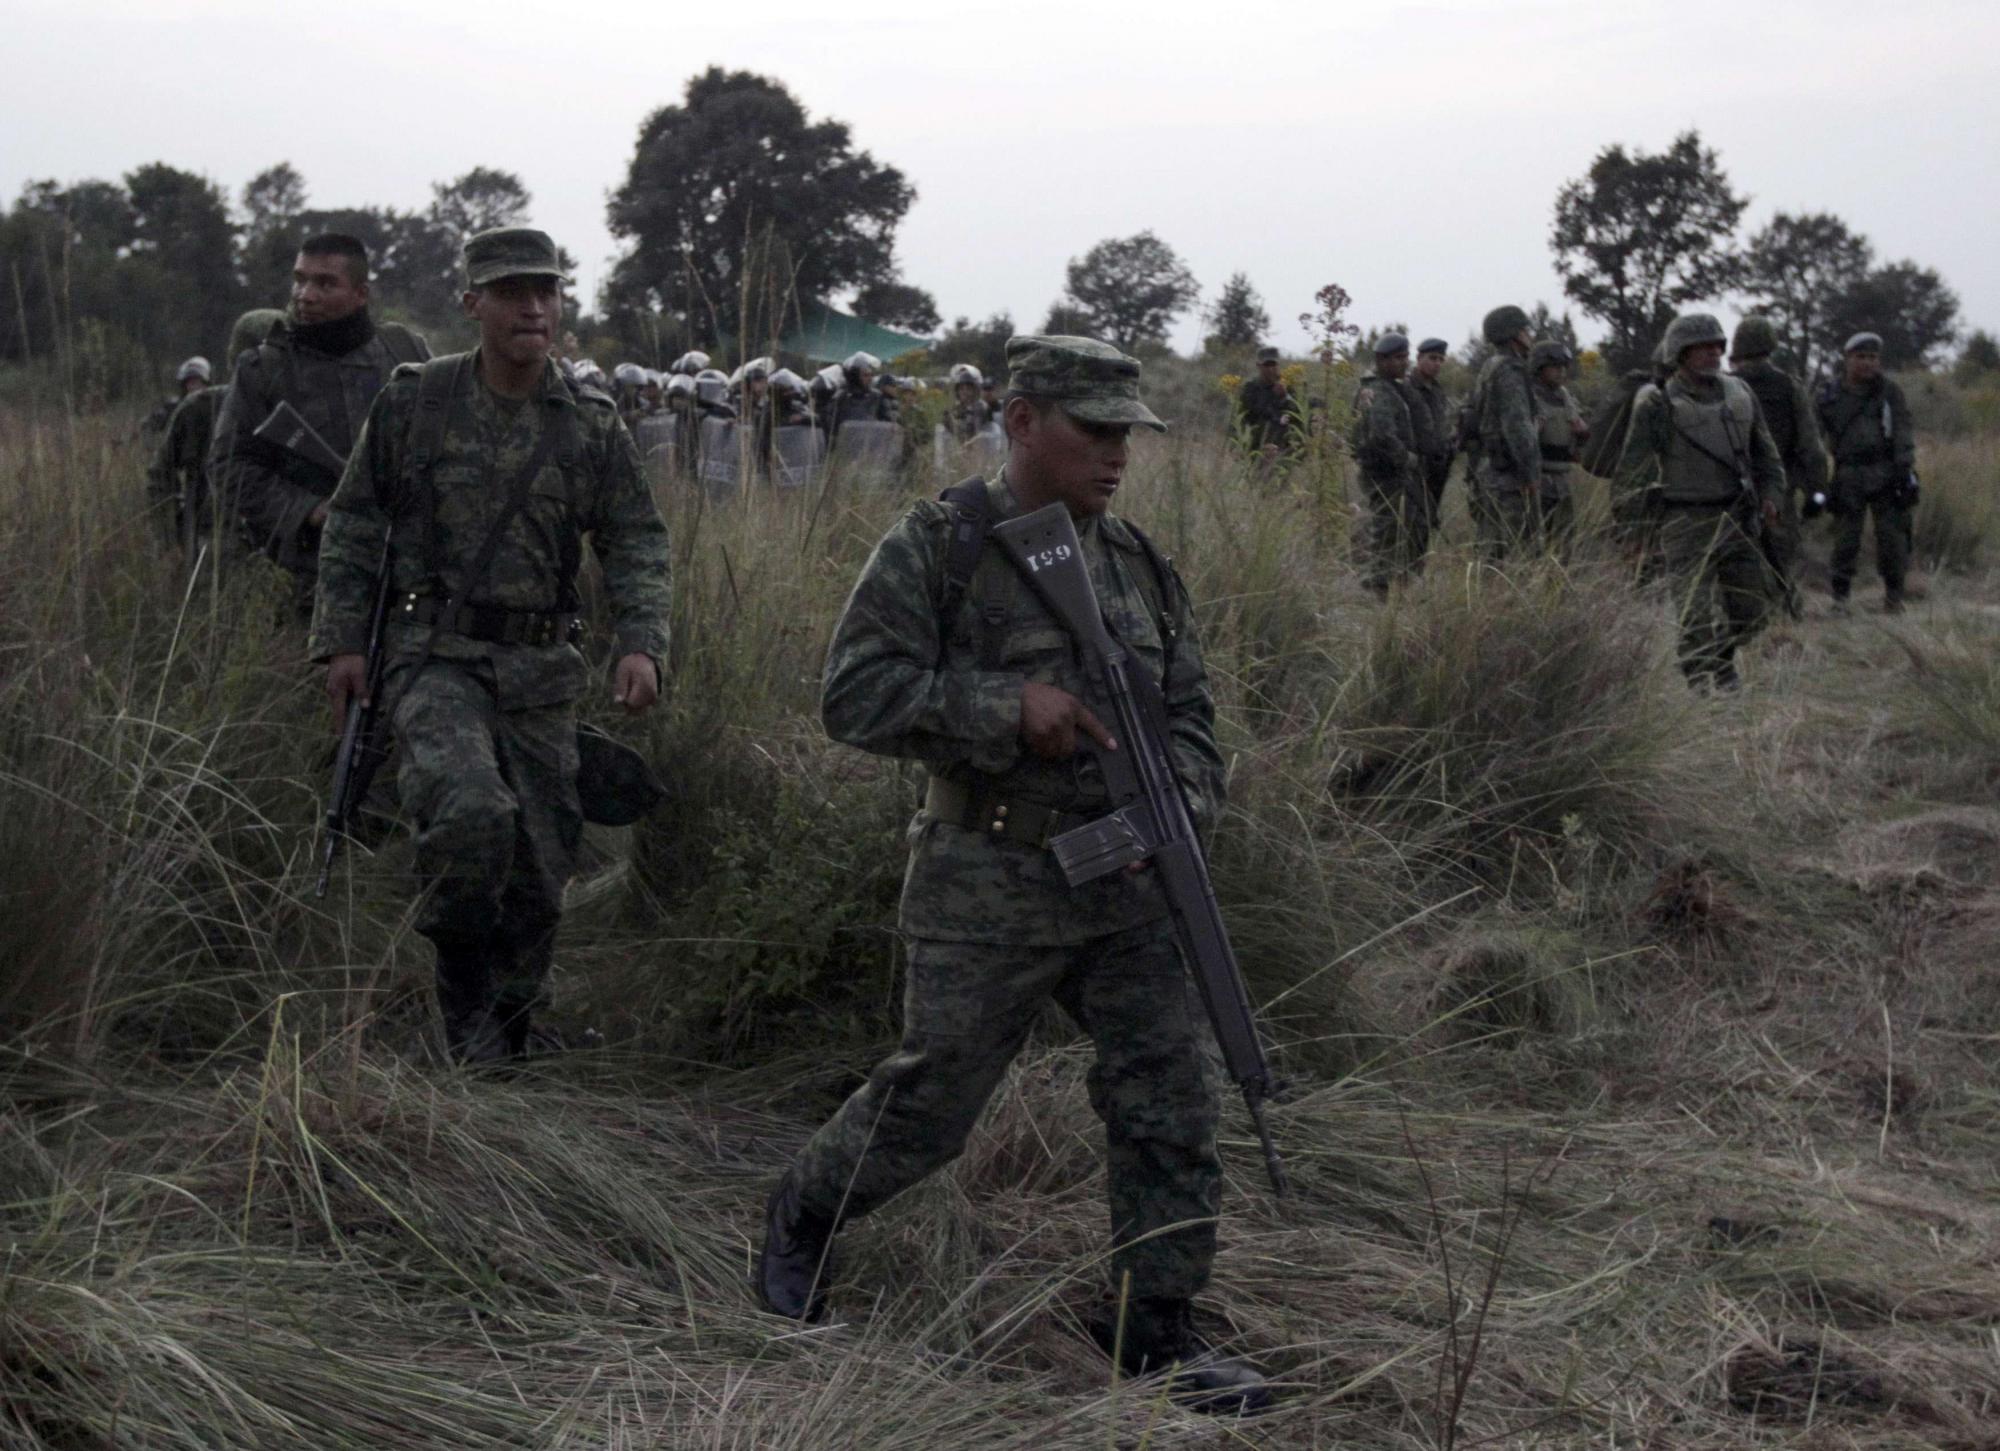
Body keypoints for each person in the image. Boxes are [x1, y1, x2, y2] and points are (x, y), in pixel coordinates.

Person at [756, 333, 1268, 1414]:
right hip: (985, 870)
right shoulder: (938, 545)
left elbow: (1189, 715)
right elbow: (852, 694)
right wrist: (1002, 708)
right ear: (1023, 419)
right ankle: (800, 1214)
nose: (1115, 452)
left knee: (1168, 1093)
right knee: (931, 1099)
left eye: (1127, 431)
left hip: (1129, 881)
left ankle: (1152, 1322)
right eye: (1094, 428)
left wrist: (1179, 805)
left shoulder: (1135, 563)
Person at [308, 227, 671, 1062]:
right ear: (473, 303)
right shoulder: (417, 402)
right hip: (433, 655)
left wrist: (642, 643)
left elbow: (636, 538)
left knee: (542, 866)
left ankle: (509, 1025)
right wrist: (341, 643)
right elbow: (355, 520)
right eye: (511, 292)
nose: (533, 307)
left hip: (542, 670)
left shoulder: (588, 423)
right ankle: (464, 998)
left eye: (545, 291)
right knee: (474, 815)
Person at [210, 233, 429, 600]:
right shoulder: (264, 368)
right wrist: (311, 511)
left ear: (361, 293)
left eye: (325, 283)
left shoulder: (406, 352)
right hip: (302, 578)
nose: (305, 295)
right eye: (300, 279)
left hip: (403, 574)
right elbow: (228, 467)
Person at [1612, 313, 1786, 690]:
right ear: (1680, 353)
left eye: (1718, 346)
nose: (1714, 353)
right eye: (1703, 347)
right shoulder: (1658, 403)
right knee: (1695, 613)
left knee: (1753, 613)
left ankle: (1719, 660)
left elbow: (1766, 454)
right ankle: (1701, 683)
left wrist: (1773, 495)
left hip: (1737, 516)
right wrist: (1632, 531)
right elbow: (1633, 469)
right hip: (1685, 520)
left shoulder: (1740, 394)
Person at [147, 310, 284, 562]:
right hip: (209, 549)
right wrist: (170, 539)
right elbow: (160, 476)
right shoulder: (198, 409)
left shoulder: (296, 414)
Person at [1728, 317, 1826, 614]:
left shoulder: (1726, 386)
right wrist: (1816, 493)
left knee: (1736, 556)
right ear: (1771, 346)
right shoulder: (1789, 386)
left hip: (1730, 486)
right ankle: (1786, 613)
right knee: (1781, 557)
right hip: (1779, 487)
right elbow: (1811, 447)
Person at [1817, 332, 1916, 614]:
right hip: (1848, 473)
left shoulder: (1889, 391)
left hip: (1886, 472)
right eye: (1861, 357)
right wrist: (1818, 477)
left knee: (1893, 539)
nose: (1868, 363)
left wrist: (1904, 467)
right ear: (1847, 359)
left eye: (1873, 357)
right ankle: (1840, 598)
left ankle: (1894, 598)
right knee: (1846, 539)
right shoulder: (1829, 394)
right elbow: (1813, 437)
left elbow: (1903, 429)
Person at [1350, 333, 1425, 593]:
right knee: (1387, 528)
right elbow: (1382, 435)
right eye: (1398, 358)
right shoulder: (1380, 390)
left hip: (1382, 470)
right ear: (1382, 360)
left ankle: (1384, 580)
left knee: (1390, 526)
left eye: (1405, 357)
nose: (1404, 363)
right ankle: (1377, 583)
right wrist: (1407, 458)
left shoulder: (1384, 387)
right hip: (1386, 471)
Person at [1468, 305, 1542, 558]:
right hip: (1507, 475)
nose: (1529, 335)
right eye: (1525, 330)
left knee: (1491, 548)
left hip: (1490, 471)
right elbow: (1518, 426)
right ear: (1514, 335)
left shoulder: (1490, 367)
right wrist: (1531, 473)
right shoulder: (1510, 371)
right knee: (1513, 551)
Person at [1527, 339, 1586, 555]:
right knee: (1536, 539)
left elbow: (1578, 428)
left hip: (1561, 475)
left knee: (1565, 539)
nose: (1561, 372)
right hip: (1540, 476)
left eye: (1564, 367)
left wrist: (1581, 434)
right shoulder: (1530, 397)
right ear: (1540, 367)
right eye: (1555, 367)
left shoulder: (1563, 396)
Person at [1408, 338, 1454, 539]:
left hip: (1435, 467)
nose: (1437, 364)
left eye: (1441, 359)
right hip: (1413, 465)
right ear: (1419, 358)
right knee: (1411, 521)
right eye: (1432, 358)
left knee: (1426, 520)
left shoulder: (1437, 391)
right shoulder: (1407, 387)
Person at [1235, 346, 1299, 470]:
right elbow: (1243, 417)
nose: (1270, 369)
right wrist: (1238, 447)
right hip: (1257, 447)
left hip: (1283, 447)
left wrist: (1284, 396)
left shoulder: (1288, 386)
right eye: (1266, 365)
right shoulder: (1251, 388)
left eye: (1273, 364)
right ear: (1258, 366)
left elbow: (1296, 413)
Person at [946, 363, 990, 441]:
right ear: (957, 391)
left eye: (968, 389)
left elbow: (983, 430)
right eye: (961, 389)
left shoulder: (982, 407)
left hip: (978, 447)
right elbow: (949, 433)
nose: (964, 392)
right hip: (957, 448)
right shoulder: (953, 410)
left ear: (975, 390)